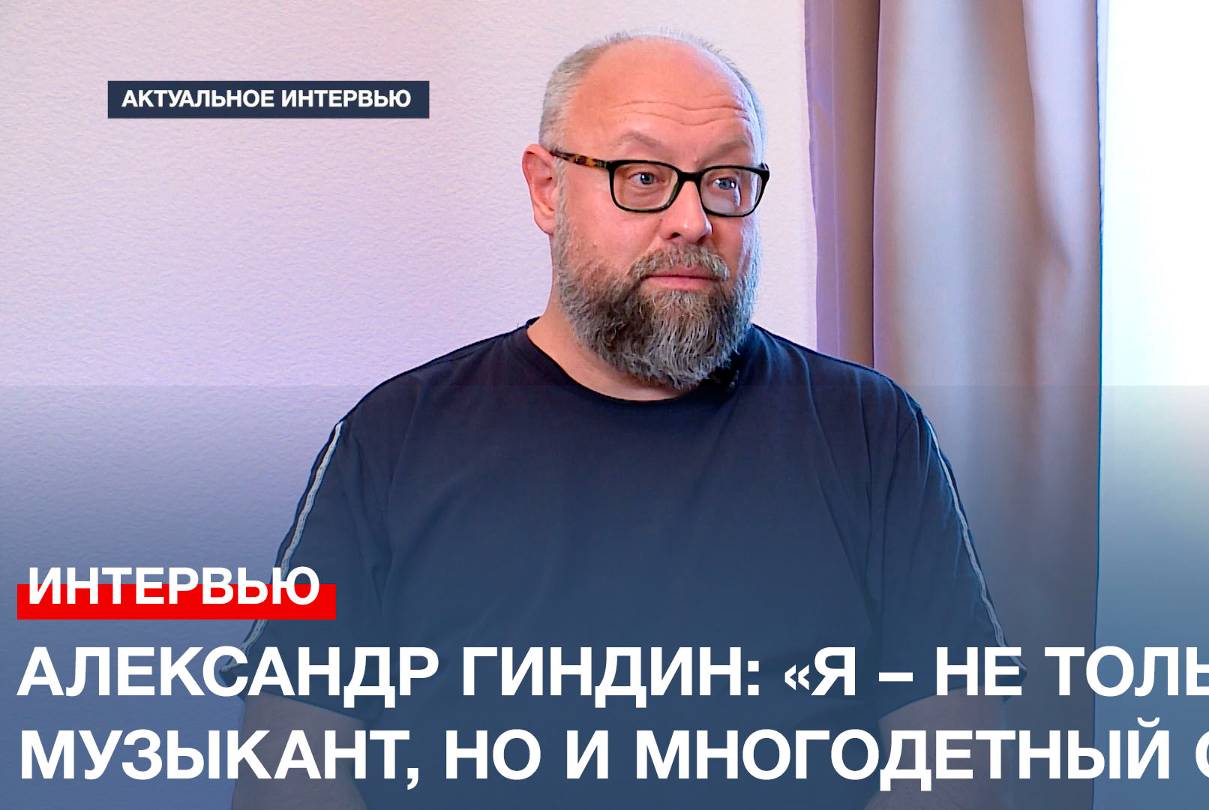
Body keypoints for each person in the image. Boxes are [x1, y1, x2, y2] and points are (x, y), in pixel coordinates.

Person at [228, 29, 1019, 809]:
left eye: (726, 180)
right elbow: (289, 762)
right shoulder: (393, 439)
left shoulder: (870, 433)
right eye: (642, 177)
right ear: (547, 189)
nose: (692, 220)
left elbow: (956, 755)